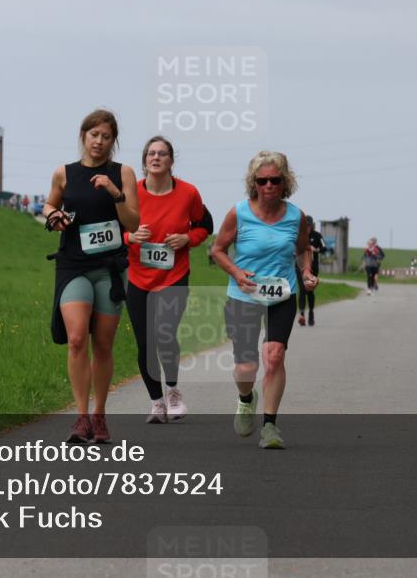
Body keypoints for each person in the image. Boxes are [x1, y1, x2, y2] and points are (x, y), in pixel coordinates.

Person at [43, 109, 139, 443]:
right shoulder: (63, 173)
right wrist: (54, 215)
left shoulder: (122, 173)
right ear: (83, 135)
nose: (99, 142)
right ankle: (81, 417)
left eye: (106, 136)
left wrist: (115, 192)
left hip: (109, 269)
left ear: (114, 141)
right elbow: (48, 205)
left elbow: (133, 224)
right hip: (72, 265)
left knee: (103, 343)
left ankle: (100, 416)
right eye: (93, 134)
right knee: (76, 339)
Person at [210, 150, 318, 449]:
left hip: (282, 293)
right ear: (253, 183)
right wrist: (235, 271)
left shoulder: (296, 215)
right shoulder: (239, 213)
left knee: (274, 356)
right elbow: (217, 249)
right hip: (244, 294)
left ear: (285, 182)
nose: (269, 186)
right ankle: (246, 398)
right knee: (246, 366)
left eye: (275, 180)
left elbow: (303, 248)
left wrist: (306, 271)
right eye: (262, 180)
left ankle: (270, 426)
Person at [125, 136, 212, 424]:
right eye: (151, 153)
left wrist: (187, 238)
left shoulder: (188, 193)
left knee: (164, 334)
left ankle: (173, 392)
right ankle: (156, 403)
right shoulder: (132, 193)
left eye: (162, 153)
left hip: (174, 276)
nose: (156, 157)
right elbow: (115, 230)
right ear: (144, 160)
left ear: (171, 160)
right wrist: (131, 237)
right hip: (138, 278)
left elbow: (204, 226)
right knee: (145, 343)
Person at [296, 215, 324, 327]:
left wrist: (315, 249)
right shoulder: (298, 235)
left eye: (308, 226)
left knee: (310, 290)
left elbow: (324, 247)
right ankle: (302, 314)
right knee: (302, 289)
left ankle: (311, 313)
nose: (306, 228)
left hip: (313, 267)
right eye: (304, 226)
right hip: (298, 266)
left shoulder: (317, 236)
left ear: (311, 225)